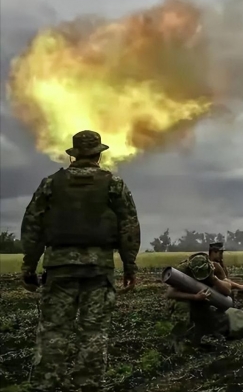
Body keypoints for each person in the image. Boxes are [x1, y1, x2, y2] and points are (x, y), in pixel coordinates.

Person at [20, 130, 141, 392]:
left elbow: (32, 225)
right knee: (94, 332)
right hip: (98, 269)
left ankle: (46, 384)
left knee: (53, 330)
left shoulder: (51, 184)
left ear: (74, 155)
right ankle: (88, 385)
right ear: (99, 155)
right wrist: (129, 266)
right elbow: (129, 227)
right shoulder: (114, 184)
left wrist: (28, 266)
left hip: (59, 268)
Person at [166, 252, 243, 352]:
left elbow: (227, 290)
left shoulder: (213, 268)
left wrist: (214, 279)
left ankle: (199, 332)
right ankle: (179, 338)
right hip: (188, 298)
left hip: (206, 301)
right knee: (183, 309)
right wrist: (195, 297)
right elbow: (170, 293)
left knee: (216, 321)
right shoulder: (183, 270)